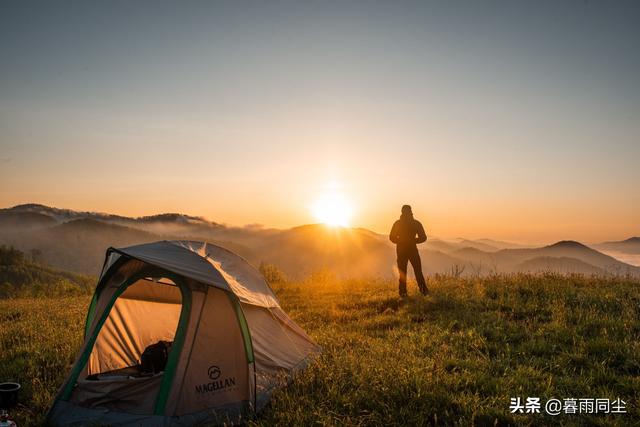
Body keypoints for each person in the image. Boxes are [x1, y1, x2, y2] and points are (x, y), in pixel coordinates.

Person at [389, 205, 428, 297]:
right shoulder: (416, 223)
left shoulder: (397, 223)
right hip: (412, 250)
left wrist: (400, 241)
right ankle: (424, 291)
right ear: (411, 212)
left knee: (402, 273)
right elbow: (423, 238)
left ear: (402, 212)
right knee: (418, 271)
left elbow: (391, 238)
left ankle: (403, 294)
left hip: (401, 250)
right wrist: (413, 240)